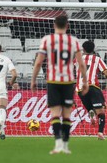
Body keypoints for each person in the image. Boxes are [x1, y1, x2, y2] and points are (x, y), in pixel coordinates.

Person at [31, 15, 89, 154]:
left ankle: (57, 144)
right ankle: (66, 145)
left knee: (55, 114)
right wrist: (85, 81)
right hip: (68, 82)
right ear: (67, 26)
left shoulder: (47, 40)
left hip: (53, 81)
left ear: (54, 25)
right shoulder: (73, 41)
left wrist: (33, 80)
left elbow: (39, 62)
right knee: (67, 114)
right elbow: (81, 64)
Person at [75, 41, 107, 140]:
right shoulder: (97, 59)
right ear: (93, 49)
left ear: (83, 49)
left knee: (90, 107)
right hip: (92, 86)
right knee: (101, 112)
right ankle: (100, 132)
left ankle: (91, 115)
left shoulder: (77, 59)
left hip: (80, 89)